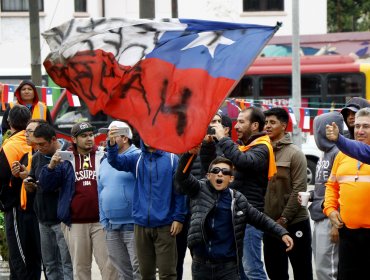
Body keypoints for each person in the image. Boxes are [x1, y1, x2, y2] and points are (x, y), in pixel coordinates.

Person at [175, 151, 293, 280]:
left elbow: (260, 219)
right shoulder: (198, 189)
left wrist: (282, 233)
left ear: (231, 178)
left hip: (228, 267)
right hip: (201, 265)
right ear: (209, 175)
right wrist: (189, 155)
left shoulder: (237, 199)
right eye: (216, 170)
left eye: (225, 172)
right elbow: (181, 177)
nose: (220, 174)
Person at [200, 107, 276, 280]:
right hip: (232, 217)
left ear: (255, 125)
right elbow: (212, 170)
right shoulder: (241, 147)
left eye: (241, 122)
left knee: (252, 270)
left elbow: (244, 162)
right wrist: (207, 144)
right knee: (237, 271)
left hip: (249, 218)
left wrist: (223, 139)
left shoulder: (262, 148)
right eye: (236, 122)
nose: (236, 126)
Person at [38, 122, 117, 280]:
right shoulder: (65, 158)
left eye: (91, 135)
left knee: (110, 269)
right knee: (80, 270)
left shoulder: (103, 156)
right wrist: (51, 166)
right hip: (75, 223)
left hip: (101, 222)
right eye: (84, 136)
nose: (89, 139)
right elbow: (46, 186)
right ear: (74, 139)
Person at [107, 129, 187, 280]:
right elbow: (115, 161)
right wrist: (111, 145)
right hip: (141, 225)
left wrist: (179, 217)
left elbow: (179, 191)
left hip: (166, 225)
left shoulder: (172, 159)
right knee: (145, 273)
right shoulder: (136, 158)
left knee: (167, 273)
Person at [263, 107, 313, 280]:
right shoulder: (262, 152)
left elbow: (299, 189)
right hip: (270, 225)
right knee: (275, 272)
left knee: (302, 271)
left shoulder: (295, 153)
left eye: (272, 122)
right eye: (266, 122)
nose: (267, 126)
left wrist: (283, 219)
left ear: (283, 126)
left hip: (295, 223)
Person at [324, 107, 370, 279]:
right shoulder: (342, 155)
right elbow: (331, 186)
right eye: (357, 126)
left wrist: (339, 139)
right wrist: (330, 210)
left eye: (366, 126)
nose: (360, 131)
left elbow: (361, 151)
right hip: (348, 234)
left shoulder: (351, 148)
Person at [23, 123, 73, 280]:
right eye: (36, 144)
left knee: (66, 264)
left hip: (63, 220)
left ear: (53, 139)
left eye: (42, 144)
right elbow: (33, 176)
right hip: (43, 219)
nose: (38, 148)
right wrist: (28, 182)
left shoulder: (69, 154)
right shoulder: (38, 156)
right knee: (50, 264)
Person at [0, 104, 42, 279]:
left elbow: (2, 178)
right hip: (36, 206)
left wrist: (4, 203)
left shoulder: (11, 145)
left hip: (18, 207)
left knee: (20, 260)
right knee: (33, 258)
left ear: (9, 122)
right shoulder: (36, 142)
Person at [98, 121, 141, 280]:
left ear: (124, 138)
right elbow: (101, 190)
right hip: (111, 225)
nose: (108, 139)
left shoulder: (138, 157)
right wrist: (103, 220)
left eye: (112, 135)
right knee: (123, 273)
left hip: (134, 224)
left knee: (139, 270)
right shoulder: (104, 160)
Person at [305, 112, 343, 280]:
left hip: (330, 218)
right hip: (319, 215)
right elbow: (324, 186)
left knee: (329, 269)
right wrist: (312, 194)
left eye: (317, 130)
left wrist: (336, 225)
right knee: (321, 267)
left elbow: (341, 189)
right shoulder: (325, 153)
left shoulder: (338, 152)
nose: (316, 134)